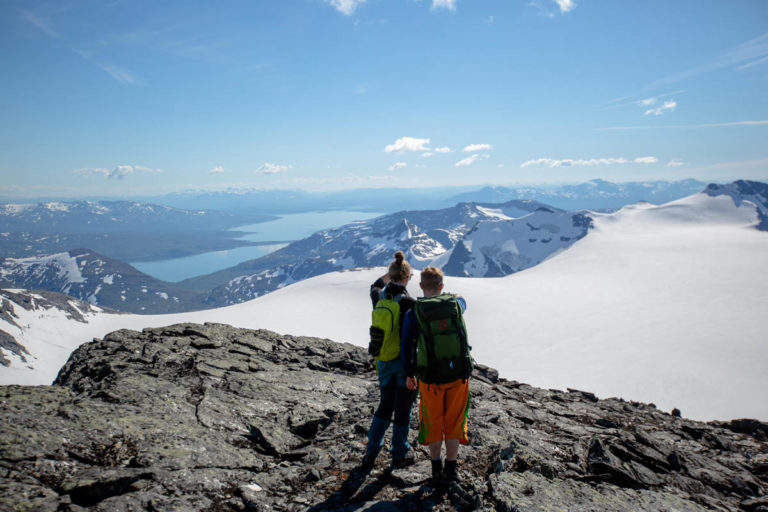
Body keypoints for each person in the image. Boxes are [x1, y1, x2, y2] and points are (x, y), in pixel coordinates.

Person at [401, 266, 470, 483]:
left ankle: (435, 468)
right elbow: (463, 300)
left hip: (430, 377)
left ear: (420, 286)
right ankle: (451, 469)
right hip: (458, 375)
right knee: (454, 421)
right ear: (441, 286)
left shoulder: (415, 313)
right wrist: (454, 295)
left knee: (432, 421)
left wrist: (409, 373)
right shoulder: (455, 305)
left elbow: (407, 345)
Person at [362, 251, 418, 468]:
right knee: (403, 409)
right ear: (406, 278)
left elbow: (374, 285)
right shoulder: (408, 303)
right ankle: (399, 452)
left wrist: (389, 274)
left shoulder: (379, 296)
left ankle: (371, 452)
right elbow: (412, 339)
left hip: (383, 361)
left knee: (385, 405)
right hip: (403, 364)